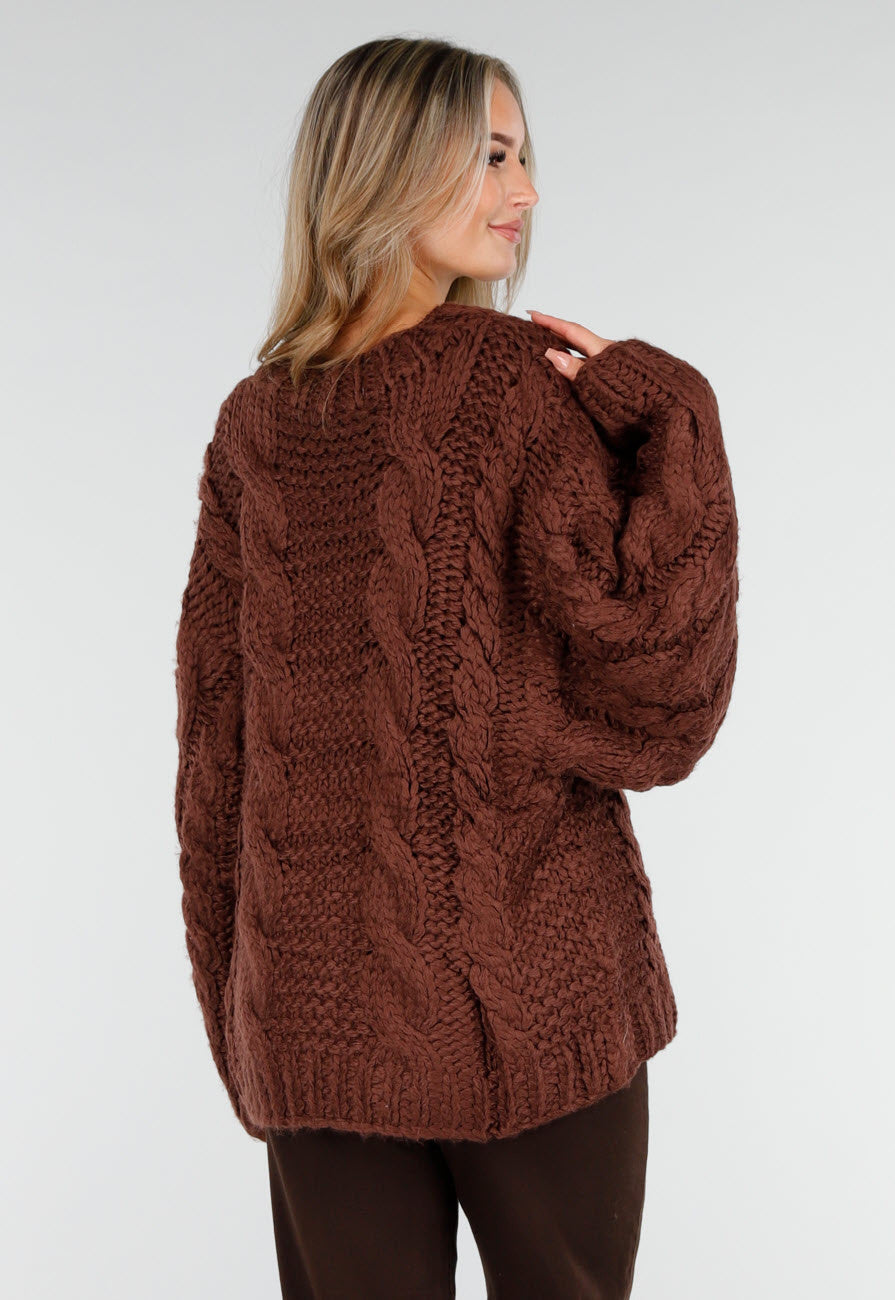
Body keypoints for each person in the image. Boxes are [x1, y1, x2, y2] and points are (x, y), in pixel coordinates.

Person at [174, 35, 739, 1300]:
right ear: (386, 163)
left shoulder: (264, 420)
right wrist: (676, 416)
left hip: (335, 1019)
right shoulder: (482, 393)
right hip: (523, 1001)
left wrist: (243, 1012)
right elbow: (663, 696)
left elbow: (218, 760)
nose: (523, 191)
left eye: (523, 157)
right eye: (490, 155)